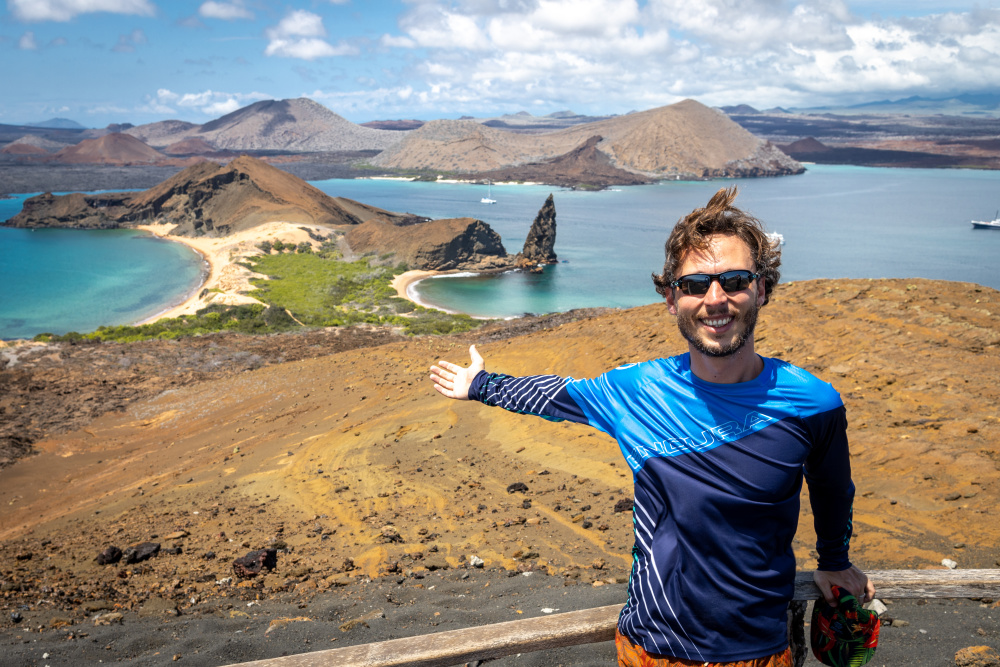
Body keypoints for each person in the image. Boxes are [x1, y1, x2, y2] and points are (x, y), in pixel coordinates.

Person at [429, 186, 874, 667]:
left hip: (762, 651)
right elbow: (557, 395)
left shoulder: (813, 403)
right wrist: (481, 384)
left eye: (736, 279)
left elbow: (832, 489)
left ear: (762, 289)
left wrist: (834, 559)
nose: (715, 299)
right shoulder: (637, 391)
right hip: (651, 649)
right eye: (695, 285)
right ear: (670, 298)